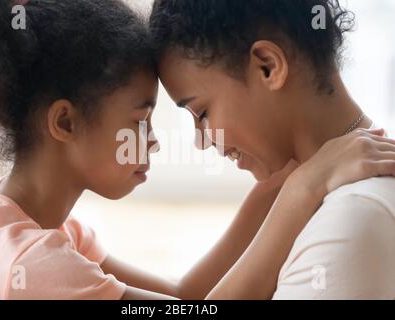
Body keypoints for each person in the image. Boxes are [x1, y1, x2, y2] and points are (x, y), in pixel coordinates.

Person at [150, 0, 395, 299]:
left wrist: (300, 191)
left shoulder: (351, 217)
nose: (202, 141)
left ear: (268, 66)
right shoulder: (320, 196)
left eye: (202, 113)